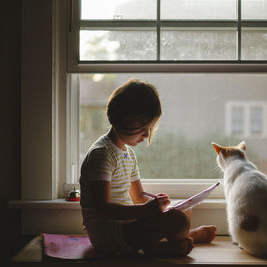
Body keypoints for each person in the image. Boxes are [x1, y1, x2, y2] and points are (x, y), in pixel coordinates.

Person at [79, 79, 217, 257]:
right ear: (121, 117)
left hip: (127, 225)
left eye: (150, 128)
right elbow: (103, 208)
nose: (146, 134)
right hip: (109, 235)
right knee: (178, 220)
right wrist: (146, 210)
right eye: (143, 127)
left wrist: (157, 204)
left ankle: (172, 241)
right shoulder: (101, 154)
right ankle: (172, 243)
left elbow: (138, 197)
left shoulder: (128, 154)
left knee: (184, 211)